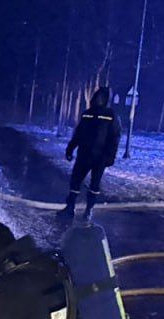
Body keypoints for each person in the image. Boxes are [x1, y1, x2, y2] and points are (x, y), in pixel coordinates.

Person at [58, 87, 122, 222]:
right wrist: (70, 148)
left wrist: (110, 156)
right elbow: (78, 133)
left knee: (95, 184)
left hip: (100, 157)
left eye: (102, 97)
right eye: (98, 96)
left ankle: (88, 210)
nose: (99, 99)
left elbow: (114, 138)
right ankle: (70, 207)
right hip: (84, 154)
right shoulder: (87, 114)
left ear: (106, 100)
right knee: (75, 180)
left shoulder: (111, 116)